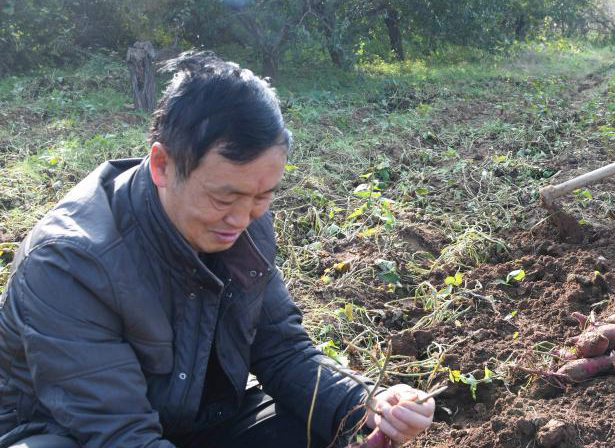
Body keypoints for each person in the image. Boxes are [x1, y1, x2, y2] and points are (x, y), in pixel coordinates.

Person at [0, 52, 434, 448]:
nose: (242, 219)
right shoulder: (71, 264)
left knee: (316, 425)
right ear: (162, 165)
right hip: (68, 431)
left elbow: (283, 350)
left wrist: (369, 403)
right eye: (224, 198)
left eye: (262, 196)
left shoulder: (244, 223)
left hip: (189, 419)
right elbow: (120, 435)